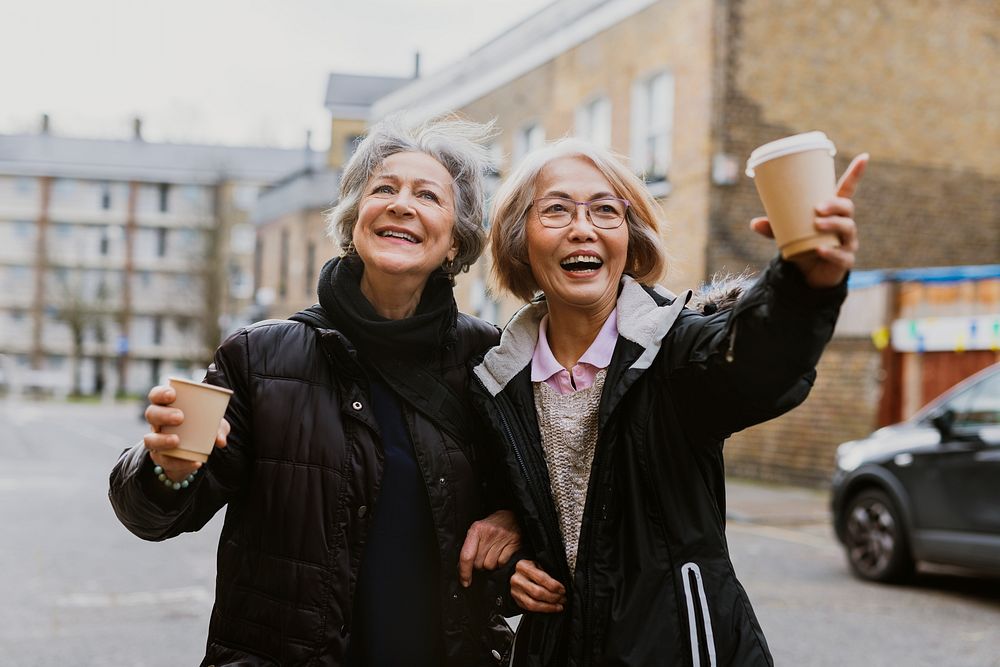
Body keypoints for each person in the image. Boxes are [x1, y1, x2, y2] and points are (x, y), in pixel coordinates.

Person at [109, 116, 524, 667]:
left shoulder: (492, 361)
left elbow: (551, 501)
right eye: (384, 189)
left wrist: (518, 521)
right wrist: (168, 468)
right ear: (355, 219)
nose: (402, 204)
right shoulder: (259, 359)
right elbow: (151, 517)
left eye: (428, 195)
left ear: (455, 241)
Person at [471, 138, 867, 666]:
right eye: (557, 209)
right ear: (520, 240)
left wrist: (803, 284)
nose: (583, 228)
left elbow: (758, 364)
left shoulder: (676, 350)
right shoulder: (496, 381)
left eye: (606, 210)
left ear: (628, 241)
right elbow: (481, 512)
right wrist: (509, 566)